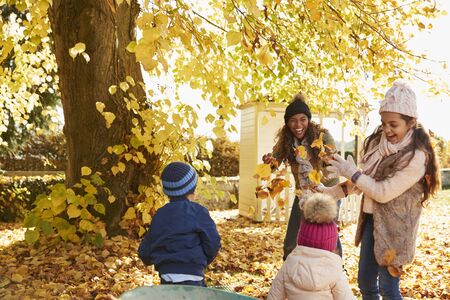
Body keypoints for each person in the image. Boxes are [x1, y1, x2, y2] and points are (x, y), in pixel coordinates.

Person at [321, 80, 441, 299]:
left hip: (396, 230)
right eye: (384, 123)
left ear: (411, 122)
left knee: (388, 288)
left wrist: (352, 172)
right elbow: (362, 181)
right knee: (365, 283)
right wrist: (328, 193)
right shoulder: (380, 146)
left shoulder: (416, 156)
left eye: (393, 124)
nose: (387, 129)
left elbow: (382, 192)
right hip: (371, 220)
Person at [262, 93, 341, 260]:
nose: (298, 125)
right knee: (292, 239)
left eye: (302, 119)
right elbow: (273, 164)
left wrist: (328, 158)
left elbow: (335, 164)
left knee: (329, 235)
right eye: (293, 120)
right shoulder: (286, 140)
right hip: (303, 193)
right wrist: (269, 162)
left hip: (327, 192)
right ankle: (289, 273)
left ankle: (336, 270)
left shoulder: (322, 135)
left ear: (308, 119)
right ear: (287, 122)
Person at [138, 162, 221, 287]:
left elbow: (147, 247)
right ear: (192, 189)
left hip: (167, 274)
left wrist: (148, 258)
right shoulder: (198, 211)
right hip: (194, 272)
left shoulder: (160, 214)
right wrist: (204, 260)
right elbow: (213, 241)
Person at [267, 193, 355, 300]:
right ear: (331, 243)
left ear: (301, 238)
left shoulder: (290, 263)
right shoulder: (334, 268)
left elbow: (273, 297)